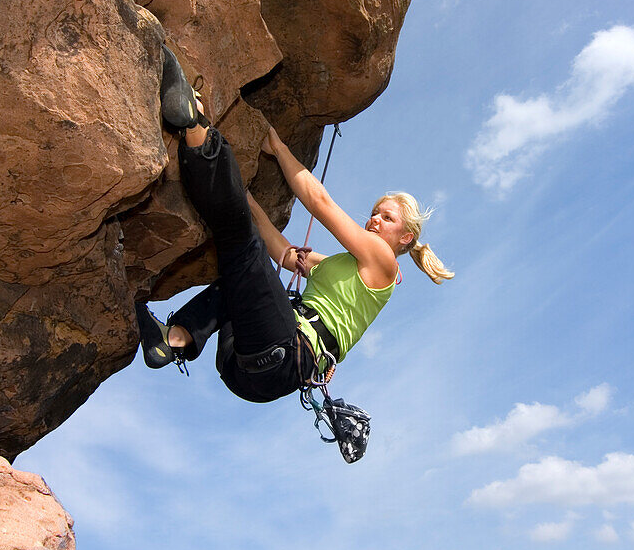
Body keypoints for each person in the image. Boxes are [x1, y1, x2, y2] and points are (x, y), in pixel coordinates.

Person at [136, 46, 453, 404]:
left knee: (240, 248)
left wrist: (277, 145)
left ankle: (193, 126)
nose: (374, 219)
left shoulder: (383, 262)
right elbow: (286, 255)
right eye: (375, 212)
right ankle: (175, 339)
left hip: (286, 353)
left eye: (387, 217)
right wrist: (246, 200)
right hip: (247, 367)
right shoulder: (343, 266)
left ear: (405, 237)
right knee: (242, 273)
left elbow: (319, 202)